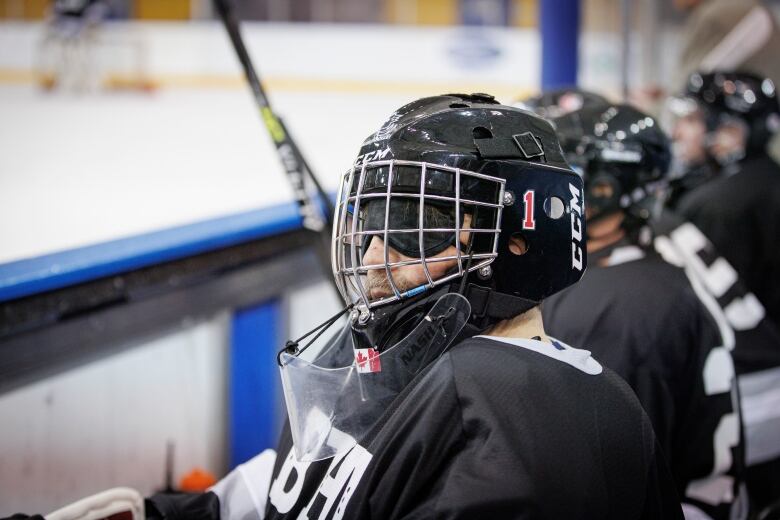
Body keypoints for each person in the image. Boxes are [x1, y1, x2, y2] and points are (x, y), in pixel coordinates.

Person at [142, 94, 682, 519]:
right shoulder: (387, 350)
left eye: (411, 225)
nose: (374, 256)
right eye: (374, 222)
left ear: (520, 240)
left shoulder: (516, 411)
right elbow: (300, 487)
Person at [542, 102, 746, 520]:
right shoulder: (633, 271)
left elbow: (612, 474)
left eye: (567, 169)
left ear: (604, 188)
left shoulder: (619, 308)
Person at [669, 71, 780, 514]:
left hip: (742, 389)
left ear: (730, 132)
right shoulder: (765, 183)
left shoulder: (714, 205)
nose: (680, 131)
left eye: (694, 120)